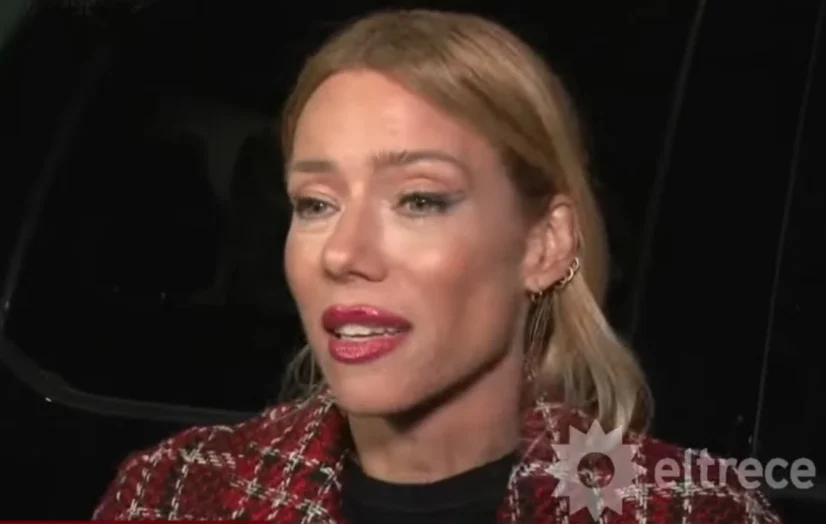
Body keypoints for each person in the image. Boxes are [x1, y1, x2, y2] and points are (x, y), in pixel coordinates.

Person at [94, 9, 781, 523]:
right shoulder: (173, 494)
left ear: (544, 246)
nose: (343, 253)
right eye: (316, 203)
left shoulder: (688, 512)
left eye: (418, 199)